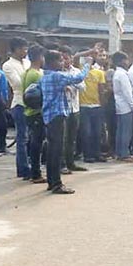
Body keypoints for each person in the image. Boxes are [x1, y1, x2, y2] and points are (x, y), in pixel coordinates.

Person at [40, 50, 89, 194]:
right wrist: (87, 66)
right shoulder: (56, 76)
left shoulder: (46, 76)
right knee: (56, 151)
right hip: (57, 116)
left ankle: (52, 181)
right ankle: (56, 183)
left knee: (52, 151)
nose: (62, 63)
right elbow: (78, 77)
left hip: (50, 115)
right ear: (52, 62)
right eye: (60, 60)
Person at [2, 37, 31, 180]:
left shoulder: (27, 62)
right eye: (23, 48)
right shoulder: (8, 65)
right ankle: (23, 168)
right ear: (16, 49)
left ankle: (29, 165)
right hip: (19, 103)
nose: (25, 51)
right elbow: (18, 83)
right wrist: (33, 78)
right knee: (22, 137)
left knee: (30, 137)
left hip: (32, 103)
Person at [60, 46, 88, 174]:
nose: (66, 61)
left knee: (72, 138)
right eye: (63, 58)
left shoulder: (76, 71)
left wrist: (72, 83)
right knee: (62, 139)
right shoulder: (58, 72)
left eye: (68, 58)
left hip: (74, 108)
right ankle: (62, 164)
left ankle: (71, 163)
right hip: (62, 109)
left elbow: (83, 86)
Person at [78, 45, 107, 163]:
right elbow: (75, 57)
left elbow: (101, 90)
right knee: (86, 132)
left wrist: (102, 104)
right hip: (84, 106)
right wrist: (90, 51)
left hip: (96, 106)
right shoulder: (80, 71)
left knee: (97, 132)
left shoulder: (99, 73)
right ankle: (87, 155)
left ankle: (97, 153)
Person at [23, 45, 46, 184]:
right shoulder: (36, 74)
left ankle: (33, 171)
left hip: (29, 111)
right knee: (36, 144)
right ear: (39, 57)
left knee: (33, 142)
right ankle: (36, 173)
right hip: (36, 112)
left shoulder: (27, 72)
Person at [111, 51, 133, 162]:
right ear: (121, 61)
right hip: (126, 106)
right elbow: (127, 92)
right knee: (126, 131)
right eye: (126, 60)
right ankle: (124, 154)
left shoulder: (117, 73)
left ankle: (119, 152)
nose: (127, 62)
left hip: (119, 105)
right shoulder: (123, 75)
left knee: (120, 130)